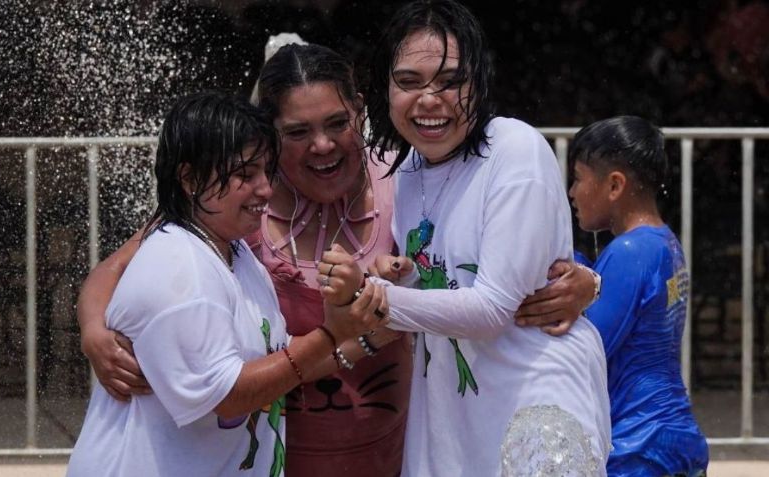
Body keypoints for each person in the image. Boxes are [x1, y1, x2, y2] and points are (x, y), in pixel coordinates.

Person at [76, 41, 597, 476]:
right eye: (297, 133)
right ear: (271, 136)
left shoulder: (406, 181)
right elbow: (116, 268)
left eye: (336, 123)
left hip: (390, 447)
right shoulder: (239, 202)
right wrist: (95, 330)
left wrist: (588, 282)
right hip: (278, 456)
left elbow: (488, 265)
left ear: (361, 113)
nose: (322, 145)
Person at [346, 0, 612, 475]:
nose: (429, 99)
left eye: (450, 81)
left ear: (481, 81)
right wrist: (399, 279)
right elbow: (441, 286)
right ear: (385, 89)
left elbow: (491, 309)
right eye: (408, 81)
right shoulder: (403, 171)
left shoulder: (514, 149)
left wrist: (374, 296)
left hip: (534, 411)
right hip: (452, 418)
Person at [67, 91, 386, 477]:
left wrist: (367, 336)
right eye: (244, 175)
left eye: (266, 172)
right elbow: (228, 396)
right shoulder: (181, 272)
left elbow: (274, 359)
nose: (265, 189)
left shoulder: (231, 250)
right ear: (189, 179)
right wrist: (331, 334)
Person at [568, 116, 709, 476]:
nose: (571, 192)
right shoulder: (663, 242)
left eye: (579, 178)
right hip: (669, 436)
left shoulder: (630, 252)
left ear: (614, 185)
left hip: (639, 448)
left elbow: (587, 352)